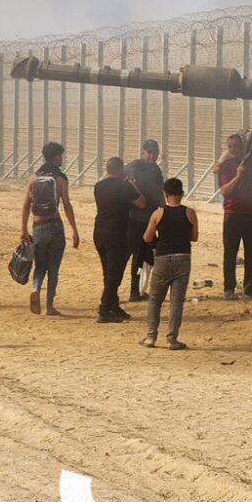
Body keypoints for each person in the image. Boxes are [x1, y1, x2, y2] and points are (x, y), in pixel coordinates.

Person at [217, 102, 252, 300]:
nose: (233, 149)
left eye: (236, 146)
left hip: (251, 213)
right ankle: (229, 289)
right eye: (230, 146)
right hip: (233, 215)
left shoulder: (250, 159)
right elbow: (225, 191)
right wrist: (238, 176)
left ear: (242, 145)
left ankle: (249, 287)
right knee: (230, 253)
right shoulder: (225, 166)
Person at [21, 142, 80, 316]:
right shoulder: (60, 178)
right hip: (55, 226)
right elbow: (67, 205)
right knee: (53, 268)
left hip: (38, 226)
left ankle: (35, 287)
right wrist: (74, 230)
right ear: (55, 158)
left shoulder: (33, 178)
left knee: (40, 265)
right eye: (60, 156)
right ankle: (49, 306)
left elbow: (26, 205)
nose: (62, 159)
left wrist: (23, 229)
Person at [141, 177, 198, 351]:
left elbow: (147, 237)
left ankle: (151, 337)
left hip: (163, 257)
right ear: (182, 193)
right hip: (183, 257)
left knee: (155, 299)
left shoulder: (158, 213)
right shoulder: (190, 213)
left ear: (165, 194)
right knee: (176, 302)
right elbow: (194, 237)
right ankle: (172, 339)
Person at [93, 156, 146, 323]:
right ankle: (104, 310)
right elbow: (142, 203)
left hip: (99, 231)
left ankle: (113, 307)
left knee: (108, 272)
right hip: (116, 233)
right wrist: (134, 186)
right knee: (114, 274)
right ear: (120, 169)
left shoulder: (98, 186)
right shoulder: (124, 186)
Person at [125, 139, 164, 302]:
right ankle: (127, 291)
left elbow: (160, 192)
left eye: (155, 152)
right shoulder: (134, 167)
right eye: (149, 152)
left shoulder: (156, 170)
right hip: (135, 218)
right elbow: (128, 187)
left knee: (145, 256)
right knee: (131, 254)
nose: (152, 155)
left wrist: (164, 212)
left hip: (150, 218)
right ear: (143, 152)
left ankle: (138, 290)